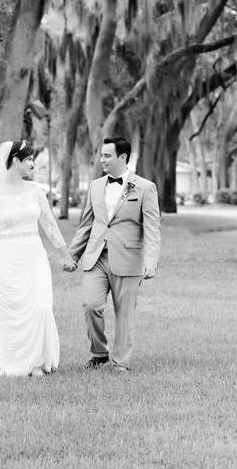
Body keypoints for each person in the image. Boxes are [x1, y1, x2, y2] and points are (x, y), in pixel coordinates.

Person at [0, 140, 67, 377]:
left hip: (33, 254)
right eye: (29, 159)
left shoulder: (36, 191)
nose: (33, 163)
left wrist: (65, 255)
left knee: (41, 307)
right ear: (15, 161)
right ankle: (20, 363)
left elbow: (49, 225)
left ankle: (39, 360)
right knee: (12, 312)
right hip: (7, 257)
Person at [63, 136, 161, 372]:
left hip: (128, 260)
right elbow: (86, 224)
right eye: (101, 155)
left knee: (124, 314)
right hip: (95, 257)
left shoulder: (145, 187)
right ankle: (99, 353)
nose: (101, 160)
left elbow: (152, 228)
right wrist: (72, 256)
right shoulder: (96, 186)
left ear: (123, 157)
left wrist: (150, 262)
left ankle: (120, 363)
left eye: (107, 155)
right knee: (91, 305)